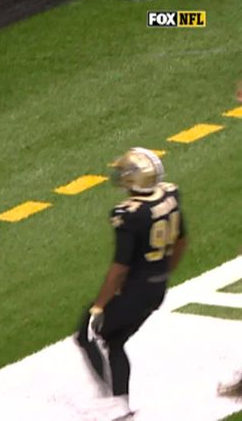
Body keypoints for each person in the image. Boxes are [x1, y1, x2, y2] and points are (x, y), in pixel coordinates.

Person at [76, 147, 188, 420]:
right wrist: (163, 272)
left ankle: (114, 402)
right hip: (155, 285)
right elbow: (182, 240)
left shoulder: (129, 214)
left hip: (136, 288)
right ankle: (117, 400)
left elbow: (119, 267)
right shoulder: (170, 195)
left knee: (89, 334)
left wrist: (99, 306)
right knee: (114, 341)